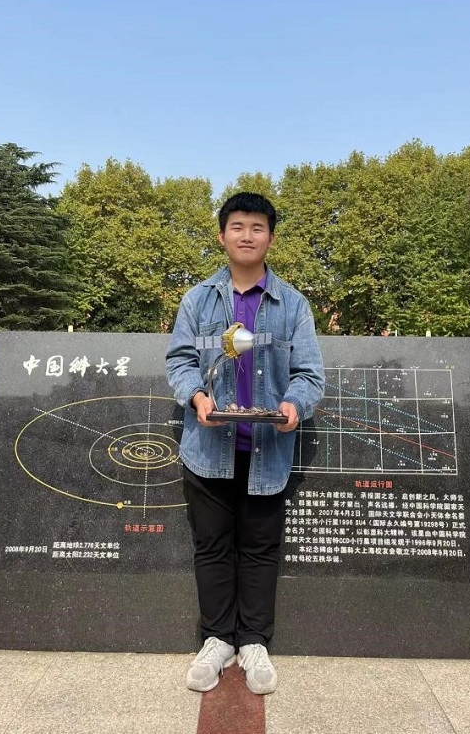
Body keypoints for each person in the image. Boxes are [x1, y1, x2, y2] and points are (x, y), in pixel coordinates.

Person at [166, 193, 325, 695]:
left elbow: (310, 374)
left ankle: (254, 641)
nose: (247, 235)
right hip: (208, 449)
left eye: (258, 227)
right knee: (212, 546)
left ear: (271, 238)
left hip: (267, 452)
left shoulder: (293, 304)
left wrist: (295, 405)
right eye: (237, 226)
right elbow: (179, 361)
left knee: (259, 549)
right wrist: (196, 396)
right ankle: (217, 639)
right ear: (222, 235)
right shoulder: (197, 300)